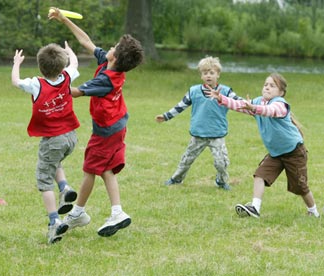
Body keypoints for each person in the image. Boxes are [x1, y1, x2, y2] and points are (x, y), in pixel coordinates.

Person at [49, 7, 144, 237]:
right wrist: (64, 20)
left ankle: (80, 213)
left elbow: (76, 92)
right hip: (117, 125)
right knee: (105, 170)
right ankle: (114, 211)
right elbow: (86, 40)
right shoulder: (109, 63)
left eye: (114, 47)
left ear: (116, 57)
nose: (109, 48)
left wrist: (49, 84)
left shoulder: (106, 80)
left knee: (91, 169)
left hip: (107, 131)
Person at [207, 73, 320, 218]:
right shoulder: (258, 101)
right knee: (259, 175)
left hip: (294, 152)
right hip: (275, 153)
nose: (267, 87)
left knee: (300, 187)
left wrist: (254, 108)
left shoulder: (281, 104)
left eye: (272, 85)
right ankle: (255, 208)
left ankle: (313, 211)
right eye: (266, 84)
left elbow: (269, 111)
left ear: (281, 92)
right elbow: (240, 105)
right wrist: (221, 98)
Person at [11, 42, 80, 244]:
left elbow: (15, 81)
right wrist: (70, 51)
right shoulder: (67, 76)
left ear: (41, 67)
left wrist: (16, 63)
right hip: (71, 137)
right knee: (54, 162)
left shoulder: (37, 84)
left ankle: (54, 222)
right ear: (62, 64)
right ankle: (65, 188)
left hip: (53, 139)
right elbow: (74, 62)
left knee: (44, 181)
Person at [155, 56, 242, 190]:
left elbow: (238, 101)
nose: (208, 76)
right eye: (205, 73)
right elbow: (180, 106)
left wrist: (252, 105)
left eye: (211, 73)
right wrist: (166, 116)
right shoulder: (194, 91)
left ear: (218, 74)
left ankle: (222, 181)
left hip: (216, 134)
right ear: (201, 75)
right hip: (198, 134)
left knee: (221, 162)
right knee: (187, 159)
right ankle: (176, 179)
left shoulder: (226, 91)